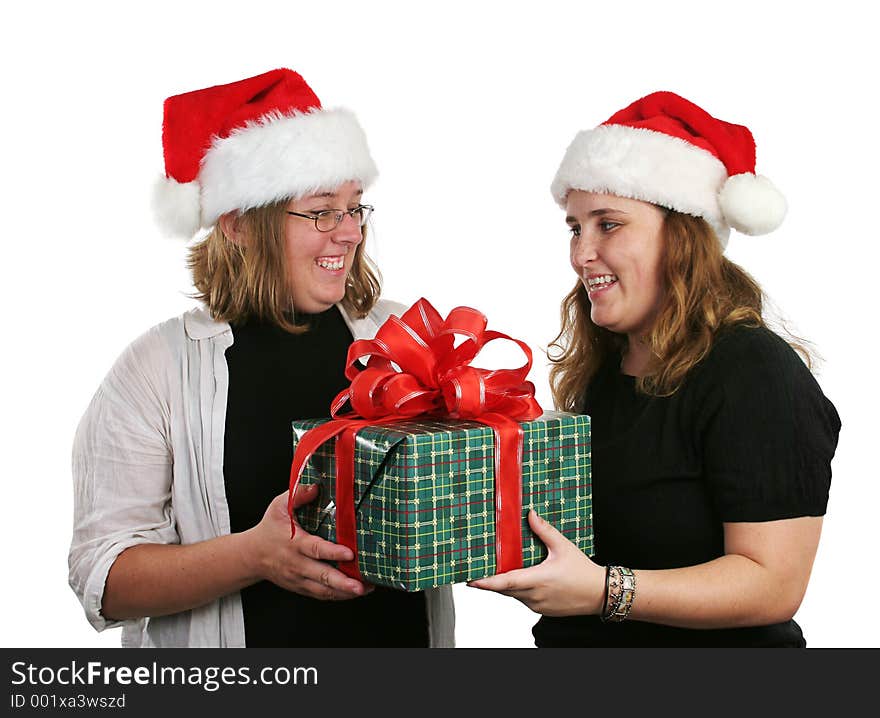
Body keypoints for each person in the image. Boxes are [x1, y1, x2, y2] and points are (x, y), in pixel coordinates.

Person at [68, 69, 454, 648]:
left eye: (355, 207)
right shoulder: (156, 370)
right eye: (322, 211)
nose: (349, 233)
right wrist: (253, 556)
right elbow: (103, 578)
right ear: (240, 223)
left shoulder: (403, 337)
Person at [469, 91, 840, 647]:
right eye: (575, 228)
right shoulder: (608, 366)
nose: (581, 254)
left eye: (608, 225)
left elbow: (773, 584)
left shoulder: (756, 374)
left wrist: (604, 592)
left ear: (684, 237)